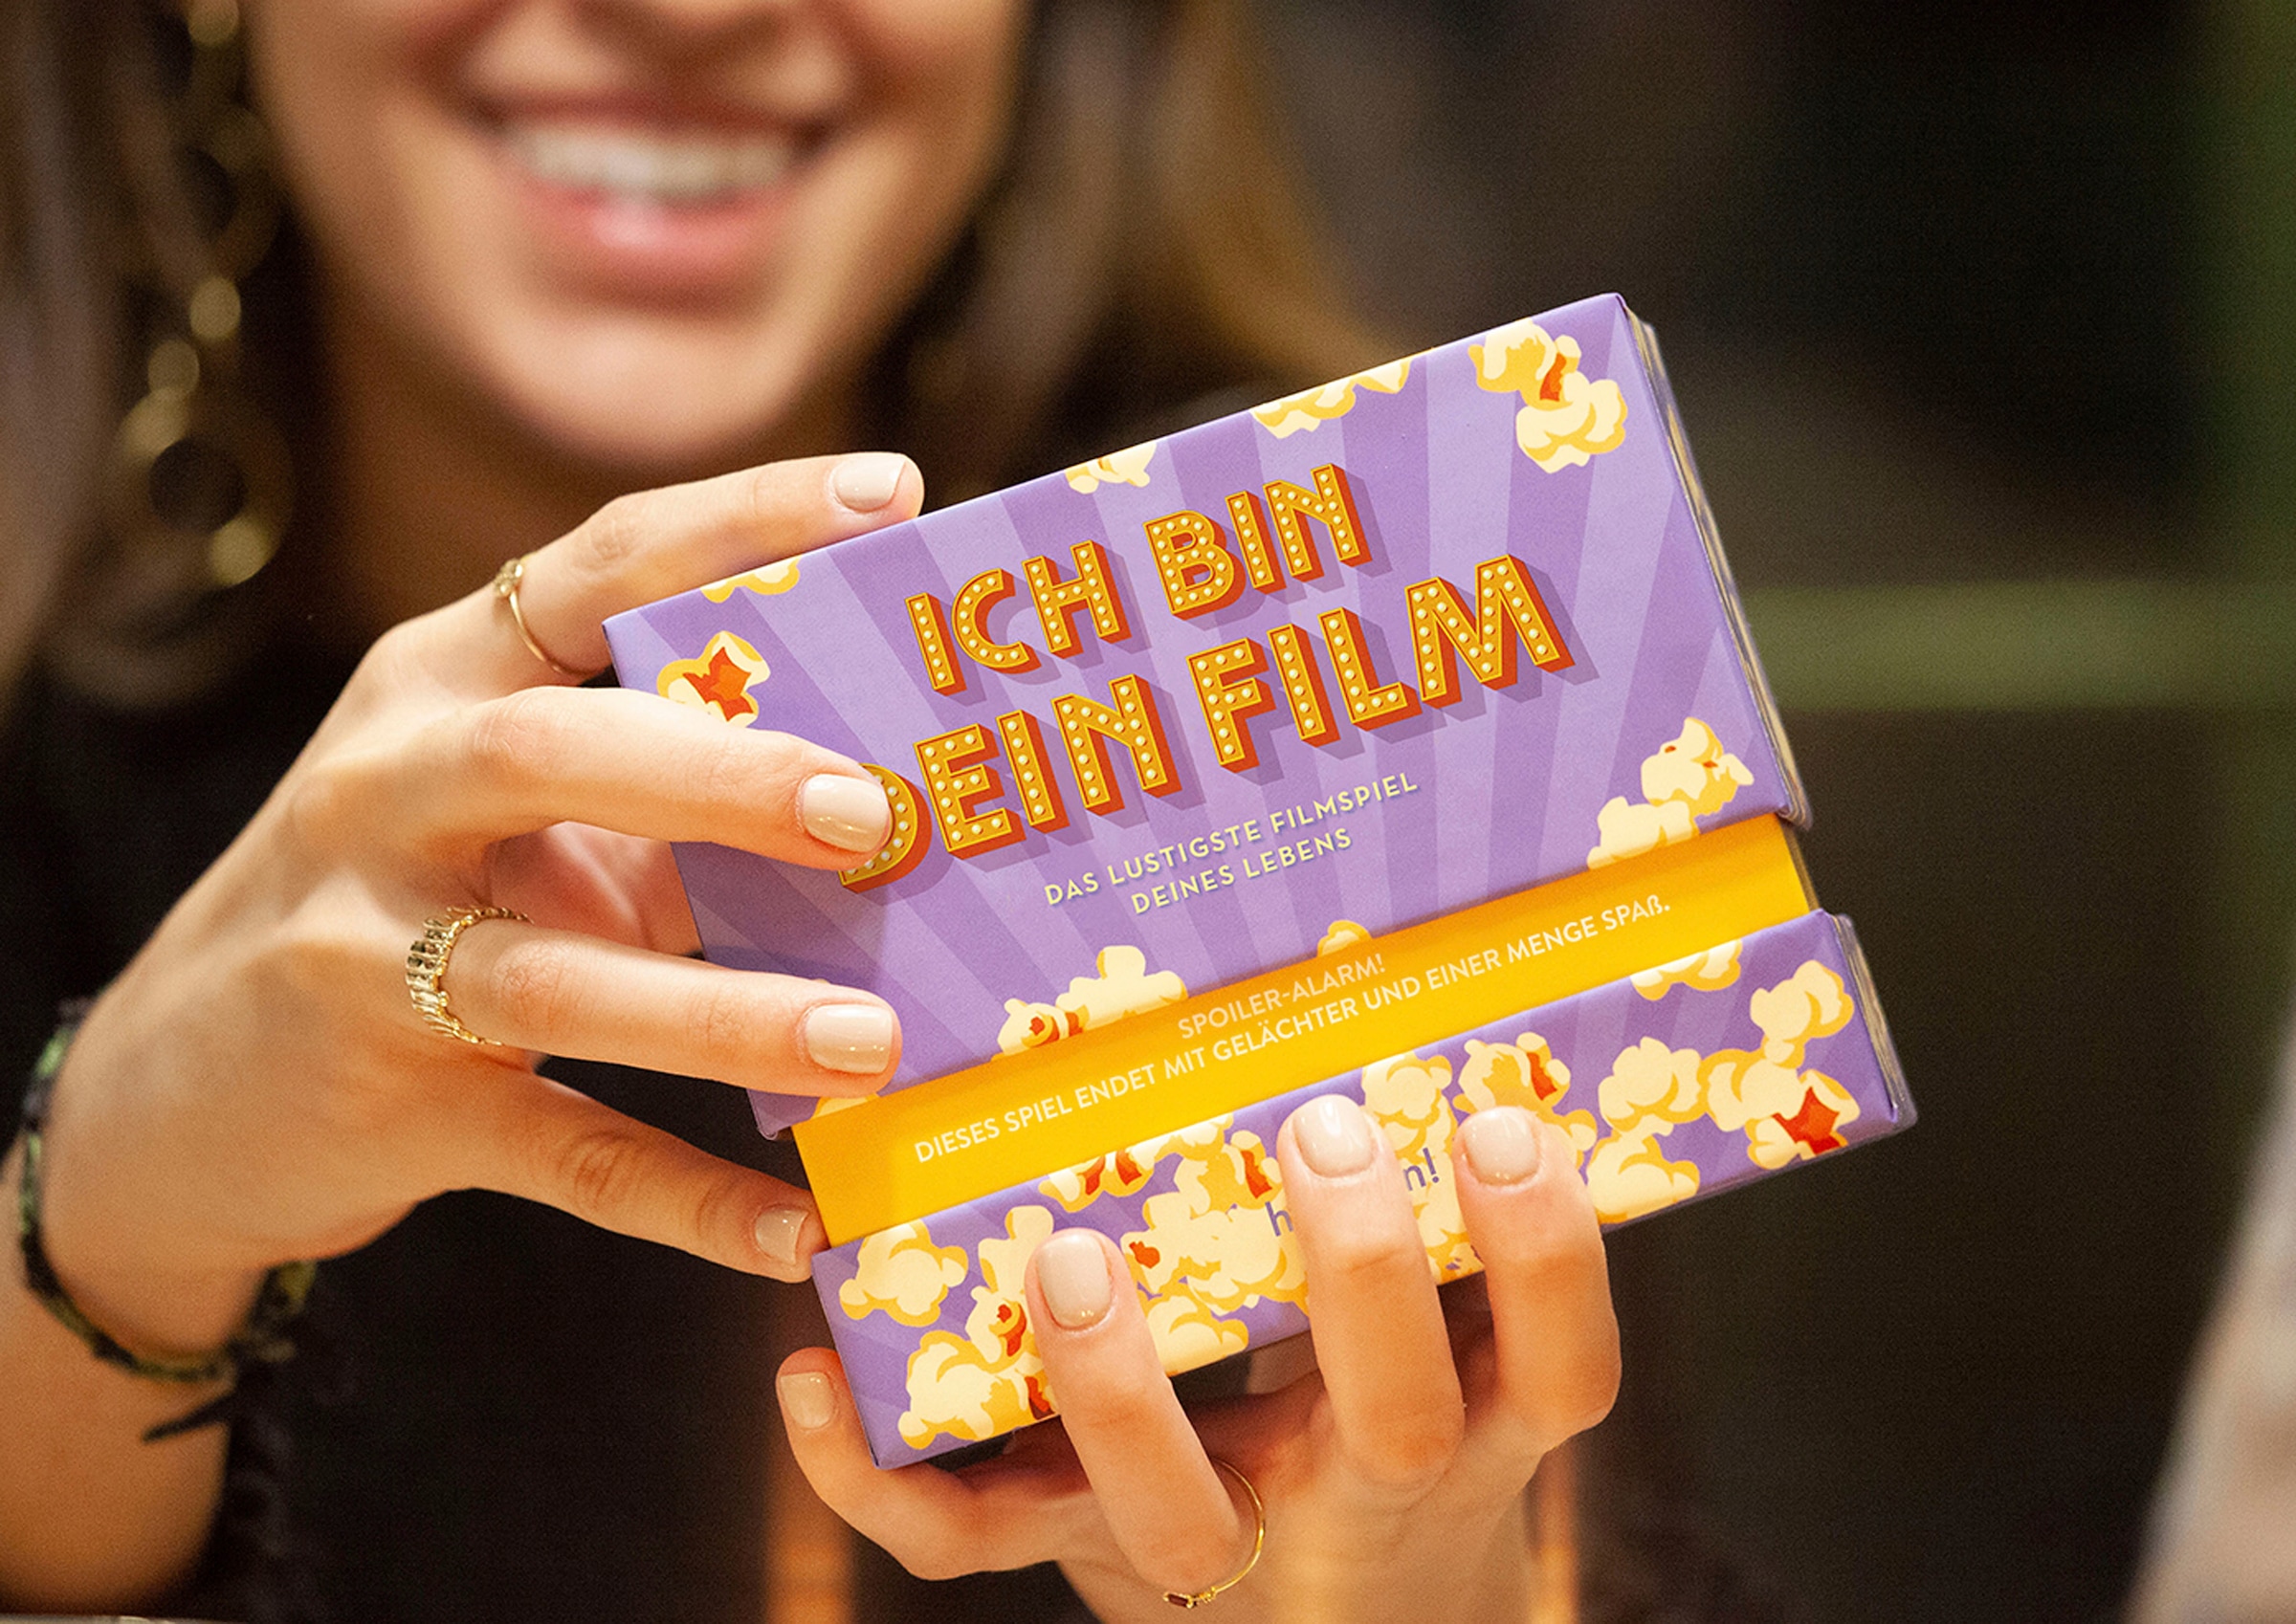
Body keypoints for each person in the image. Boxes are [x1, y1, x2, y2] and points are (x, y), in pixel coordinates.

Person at [0, 2, 1622, 1620]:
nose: (690, 14)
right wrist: (110, 1227)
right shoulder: (36, 777)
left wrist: (1417, 1588)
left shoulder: (1368, 705)